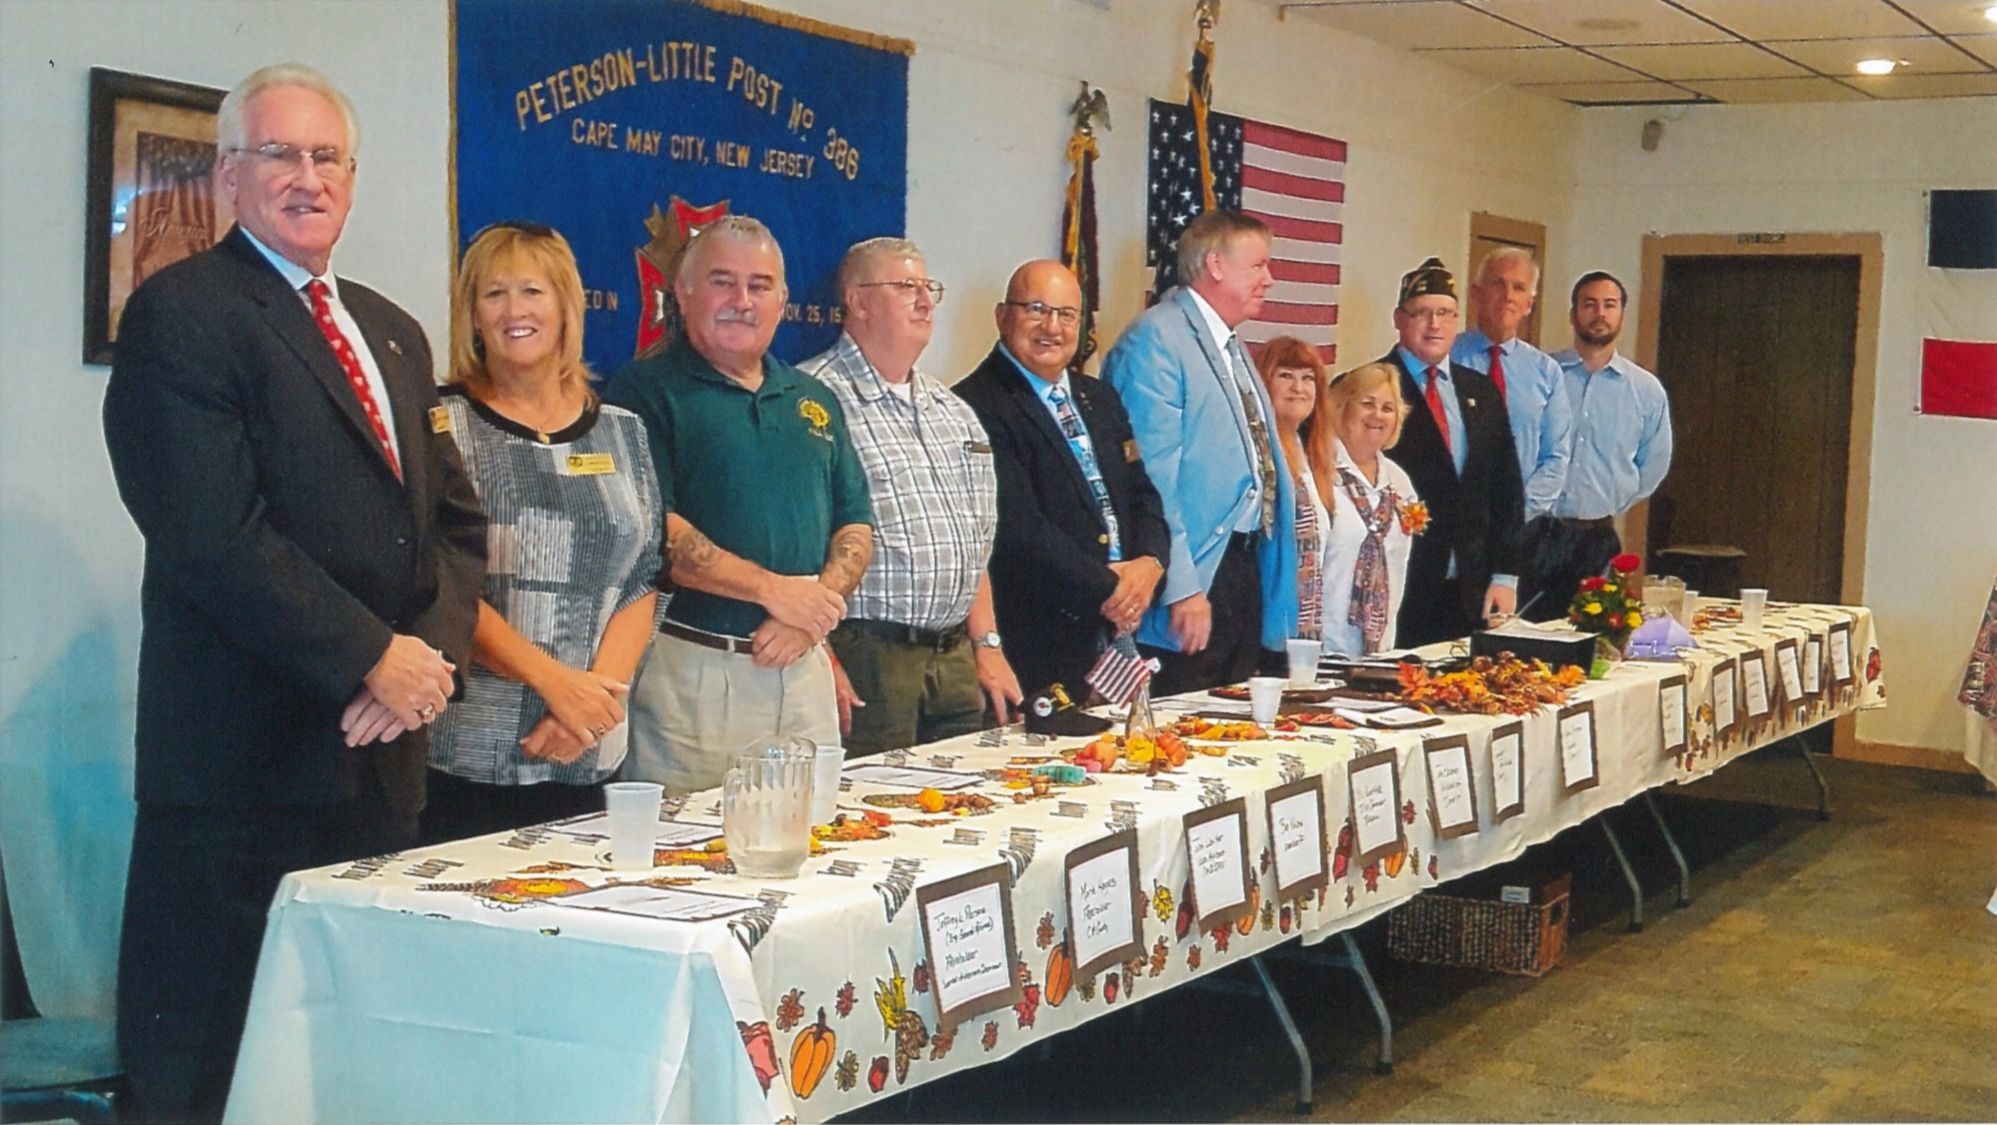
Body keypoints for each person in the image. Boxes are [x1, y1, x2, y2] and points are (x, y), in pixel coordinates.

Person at [100, 63, 486, 1120]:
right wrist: (372, 654)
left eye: (326, 157)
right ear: (230, 173)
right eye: (279, 153)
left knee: (351, 1068)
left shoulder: (393, 329)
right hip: (242, 770)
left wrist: (426, 661)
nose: (305, 177)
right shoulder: (182, 313)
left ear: (352, 180)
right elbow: (209, 532)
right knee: (220, 1068)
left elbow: (454, 524)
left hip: (381, 758)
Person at [604, 216, 873, 794]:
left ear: (782, 300)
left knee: (815, 851)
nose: (742, 301)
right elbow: (655, 534)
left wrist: (812, 613)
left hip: (804, 669)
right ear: (683, 292)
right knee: (689, 862)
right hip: (695, 677)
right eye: (723, 282)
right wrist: (774, 592)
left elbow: (855, 524)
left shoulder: (813, 397)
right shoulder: (641, 392)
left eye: (760, 285)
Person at [422, 221, 664, 842]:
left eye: (532, 291)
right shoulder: (440, 424)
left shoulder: (622, 430)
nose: (514, 311)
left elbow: (643, 575)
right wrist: (555, 685)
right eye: (493, 294)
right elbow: (434, 578)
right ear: (473, 315)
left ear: (566, 306)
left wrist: (590, 707)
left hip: (589, 749)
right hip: (471, 755)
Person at [797, 238, 1021, 755]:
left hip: (954, 656)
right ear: (857, 301)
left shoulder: (953, 411)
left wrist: (987, 645)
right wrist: (819, 658)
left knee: (957, 808)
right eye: (905, 287)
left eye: (929, 287)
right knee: (869, 816)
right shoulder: (810, 400)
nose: (925, 301)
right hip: (866, 655)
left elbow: (974, 542)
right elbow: (791, 544)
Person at [1101, 210, 1297, 693]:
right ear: (1215, 265)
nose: (1269, 279)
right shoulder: (1157, 340)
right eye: (1258, 266)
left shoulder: (1231, 347)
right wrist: (1182, 588)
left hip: (1241, 569)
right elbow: (1153, 480)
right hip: (1192, 579)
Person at [956, 260, 1170, 695]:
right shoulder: (973, 405)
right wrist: (1115, 590)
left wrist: (1150, 565)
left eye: (1066, 314)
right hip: (1036, 639)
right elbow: (1018, 528)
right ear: (1002, 316)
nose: (1051, 327)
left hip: (1113, 625)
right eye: (1035, 309)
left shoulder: (1100, 398)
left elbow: (1142, 495)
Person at [1379, 257, 1525, 648]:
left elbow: (1507, 490)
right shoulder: (1369, 389)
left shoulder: (1481, 391)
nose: (1434, 324)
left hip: (1471, 592)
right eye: (1422, 313)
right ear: (1398, 318)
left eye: (1444, 313)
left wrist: (1505, 575)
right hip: (1398, 592)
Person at [1543, 270, 1674, 614]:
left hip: (1599, 537)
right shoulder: (1543, 375)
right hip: (1539, 535)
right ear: (1573, 315)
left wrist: (1614, 495)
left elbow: (1654, 463)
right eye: (1589, 304)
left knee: (1597, 640)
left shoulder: (1645, 390)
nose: (1599, 314)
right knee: (1530, 641)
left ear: (1621, 316)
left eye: (1609, 305)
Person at [1451, 246, 1574, 616]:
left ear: (1530, 303)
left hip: (1523, 535)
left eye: (1519, 288)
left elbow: (1555, 457)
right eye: (1498, 284)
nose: (1507, 296)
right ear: (1476, 293)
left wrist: (1514, 514)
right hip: (1458, 535)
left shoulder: (1545, 372)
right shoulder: (1447, 358)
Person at [1315, 363, 1425, 655]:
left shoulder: (1399, 481)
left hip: (1380, 649)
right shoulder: (1316, 471)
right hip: (1322, 648)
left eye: (1388, 408)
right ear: (1342, 408)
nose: (1378, 415)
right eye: (1367, 404)